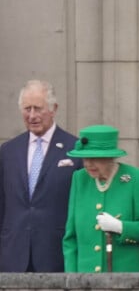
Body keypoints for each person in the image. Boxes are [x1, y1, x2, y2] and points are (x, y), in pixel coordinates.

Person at [0, 80, 83, 272]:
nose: (32, 116)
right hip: (13, 258)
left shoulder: (74, 149)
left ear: (54, 109)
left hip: (55, 256)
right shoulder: (8, 151)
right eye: (26, 109)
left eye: (38, 109)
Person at [63, 124, 139, 273]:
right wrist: (71, 281)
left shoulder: (135, 178)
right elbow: (70, 238)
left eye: (94, 158)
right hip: (85, 281)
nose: (88, 164)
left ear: (110, 157)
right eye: (85, 158)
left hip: (124, 281)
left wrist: (120, 227)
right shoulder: (79, 179)